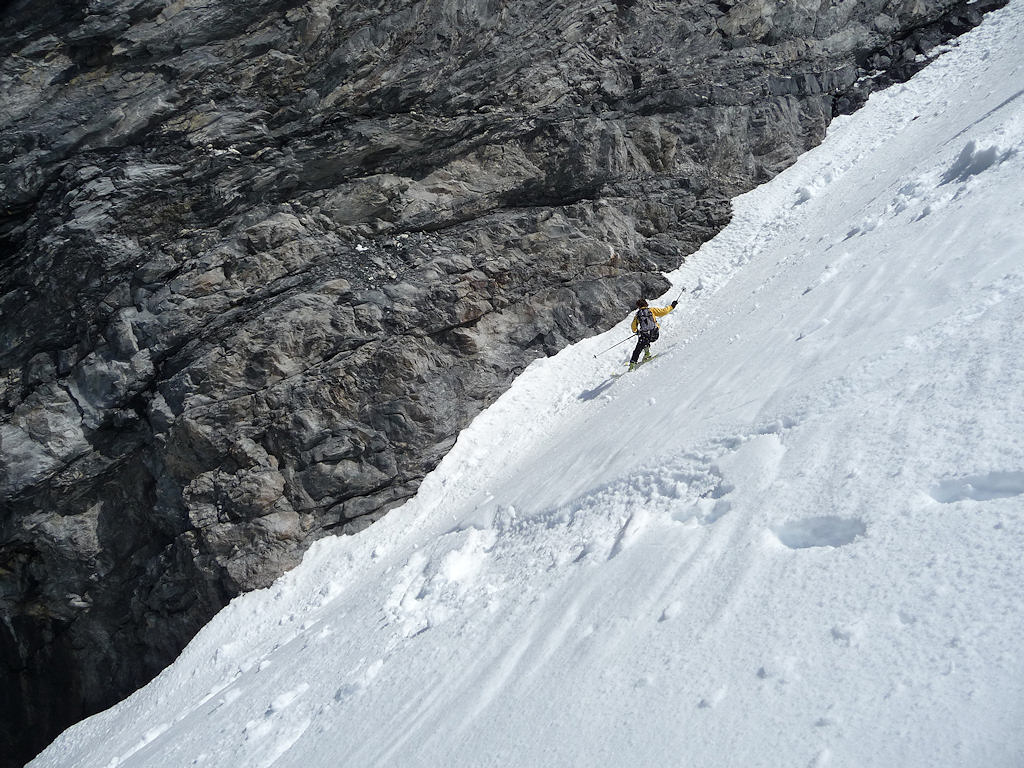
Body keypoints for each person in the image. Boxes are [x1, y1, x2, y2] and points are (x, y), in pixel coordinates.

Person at [629, 297, 677, 371]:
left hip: (645, 337)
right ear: (646, 304)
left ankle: (632, 364)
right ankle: (647, 354)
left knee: (639, 346)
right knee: (645, 338)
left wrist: (636, 331)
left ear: (638, 306)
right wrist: (672, 306)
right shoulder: (651, 310)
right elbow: (664, 311)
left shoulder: (638, 315)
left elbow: (633, 327)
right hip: (655, 334)